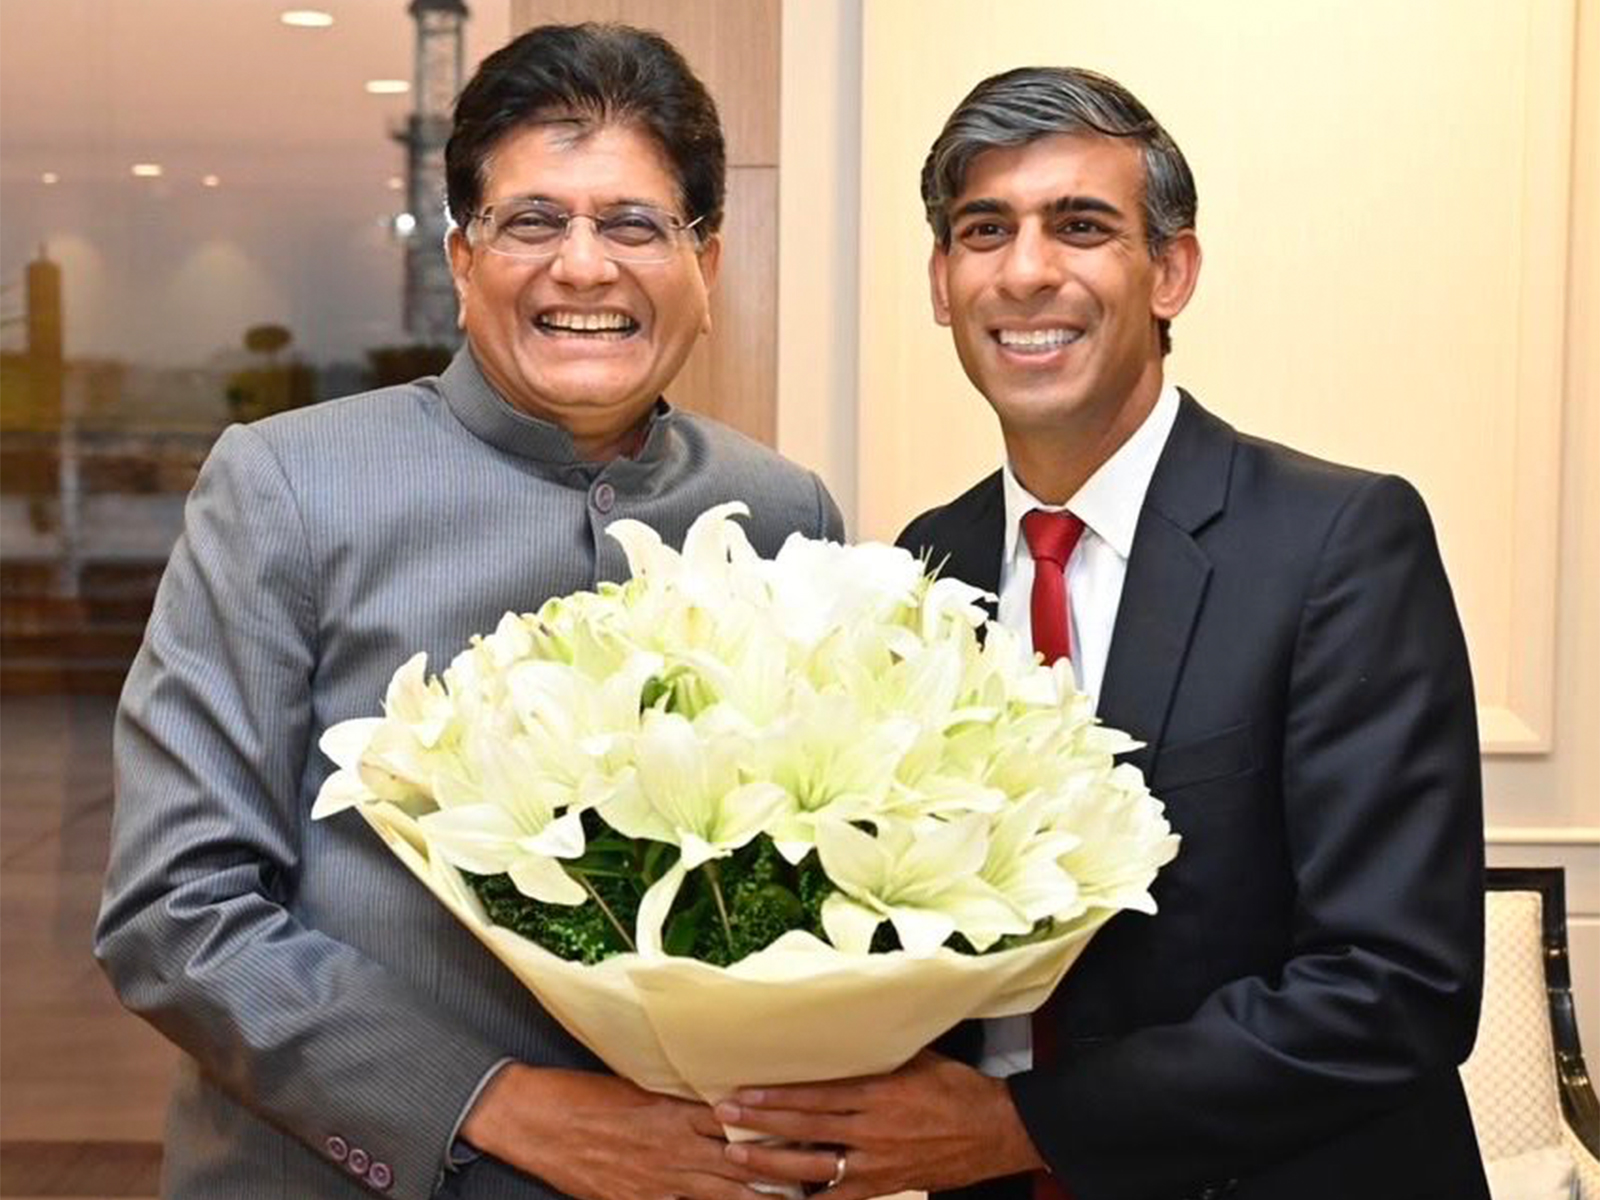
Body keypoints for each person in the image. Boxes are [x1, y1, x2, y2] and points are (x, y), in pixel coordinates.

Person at [94, 23, 841, 1200]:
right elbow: (176, 914)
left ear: (708, 257)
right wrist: (498, 1104)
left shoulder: (781, 510)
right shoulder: (286, 486)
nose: (583, 267)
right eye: (532, 221)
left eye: (634, 223)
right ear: (459, 255)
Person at [716, 66, 1488, 1200]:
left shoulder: (1339, 541)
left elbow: (1394, 986)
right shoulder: (917, 566)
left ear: (1169, 271)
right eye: (986, 231)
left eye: (1080, 227)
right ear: (941, 282)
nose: (1026, 272)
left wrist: (1019, 1127)